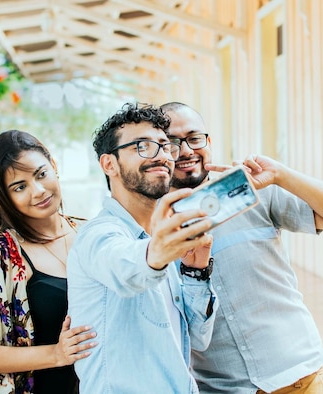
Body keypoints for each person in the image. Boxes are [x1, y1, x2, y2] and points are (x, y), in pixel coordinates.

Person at [161, 102, 323, 394]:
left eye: (194, 138)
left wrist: (280, 174)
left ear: (209, 142)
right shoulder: (154, 229)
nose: (187, 151)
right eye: (172, 143)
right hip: (223, 387)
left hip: (300, 375)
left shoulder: (254, 191)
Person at [67, 103, 219, 393]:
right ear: (108, 164)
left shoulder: (161, 236)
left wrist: (195, 272)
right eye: (143, 146)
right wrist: (156, 255)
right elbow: (124, 266)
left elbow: (198, 339)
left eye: (164, 146)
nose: (161, 156)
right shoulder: (97, 235)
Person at [0, 130, 98, 394]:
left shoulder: (92, 233)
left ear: (54, 166)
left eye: (41, 174)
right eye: (20, 187)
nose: (38, 191)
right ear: (5, 197)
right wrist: (56, 354)